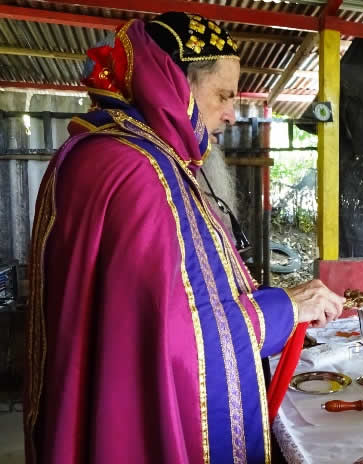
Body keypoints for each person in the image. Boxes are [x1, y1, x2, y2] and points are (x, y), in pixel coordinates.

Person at [25, 13, 345, 464]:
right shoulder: (142, 173)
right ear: (173, 85)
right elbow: (180, 340)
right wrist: (286, 308)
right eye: (222, 95)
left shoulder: (103, 151)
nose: (231, 113)